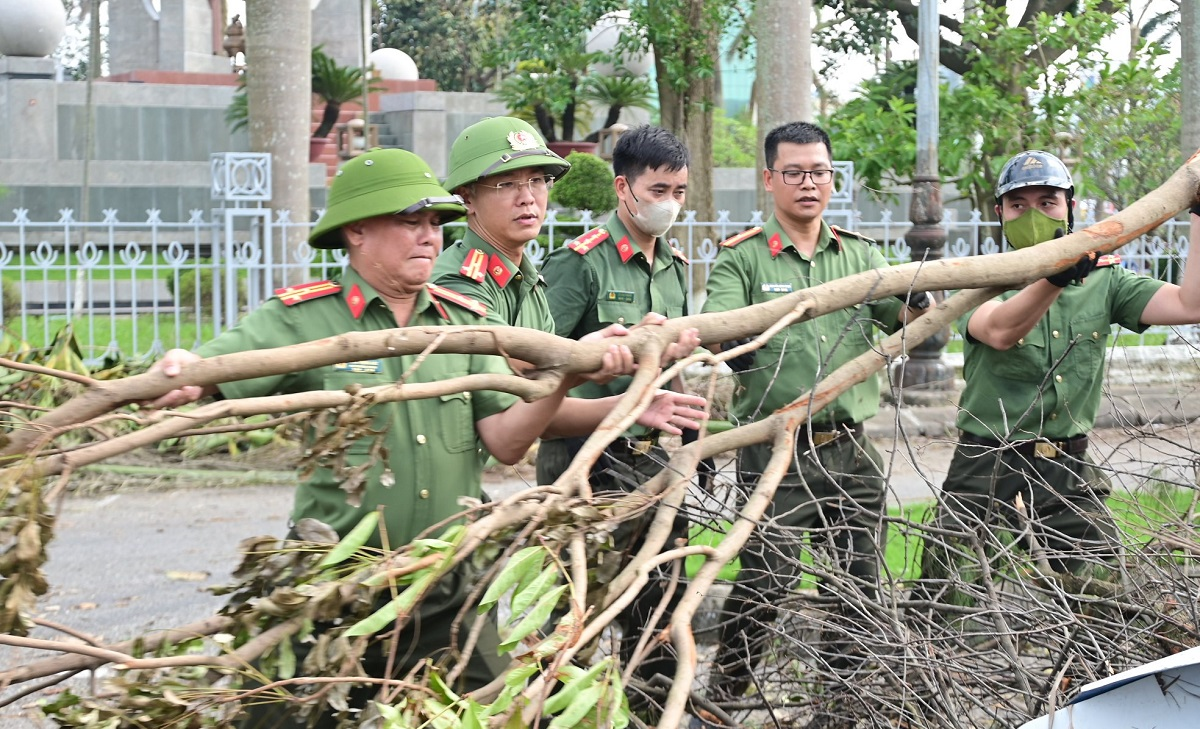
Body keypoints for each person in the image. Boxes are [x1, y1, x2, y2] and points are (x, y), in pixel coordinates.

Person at [148, 148, 707, 728]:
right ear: (357, 231)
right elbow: (213, 367)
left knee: (500, 710)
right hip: (338, 584)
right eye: (409, 222)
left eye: (434, 224)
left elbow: (507, 440)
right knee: (281, 713)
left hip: (448, 580)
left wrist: (569, 374)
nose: (428, 237)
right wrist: (184, 372)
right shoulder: (304, 318)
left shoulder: (463, 325)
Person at [699, 121, 932, 726]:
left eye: (820, 172)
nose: (809, 183)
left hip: (851, 450)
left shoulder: (860, 256)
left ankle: (841, 706)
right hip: (775, 451)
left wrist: (925, 296)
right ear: (770, 179)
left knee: (857, 586)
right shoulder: (743, 257)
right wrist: (744, 337)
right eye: (795, 172)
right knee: (765, 583)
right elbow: (718, 327)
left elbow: (911, 317)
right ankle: (723, 694)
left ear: (833, 179)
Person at [916, 151, 1200, 611]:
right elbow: (1001, 331)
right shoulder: (979, 280)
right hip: (988, 462)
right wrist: (1054, 278)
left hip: (1068, 462)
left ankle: (1090, 677)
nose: (1033, 215)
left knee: (1106, 601)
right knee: (947, 595)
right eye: (1019, 205)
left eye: (1047, 202)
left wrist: (1198, 211)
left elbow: (1191, 305)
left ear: (1071, 207)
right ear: (1000, 214)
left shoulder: (1106, 283)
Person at [537, 125, 694, 709]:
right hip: (587, 461)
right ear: (622, 188)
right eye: (659, 190)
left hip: (653, 463)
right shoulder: (579, 263)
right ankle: (554, 712)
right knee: (575, 606)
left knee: (659, 600)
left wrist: (686, 444)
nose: (670, 204)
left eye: (679, 191)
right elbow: (538, 369)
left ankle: (653, 713)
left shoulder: (674, 266)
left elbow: (672, 362)